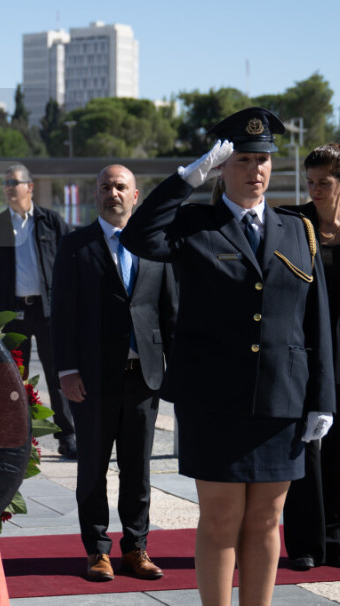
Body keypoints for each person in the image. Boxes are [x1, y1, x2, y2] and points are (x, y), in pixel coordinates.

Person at [119, 107, 335, 605]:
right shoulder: (194, 224)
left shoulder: (297, 229)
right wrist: (185, 180)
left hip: (281, 400)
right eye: (243, 159)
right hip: (213, 401)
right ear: (222, 167)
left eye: (263, 160)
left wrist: (322, 398)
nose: (256, 169)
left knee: (266, 521)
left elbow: (316, 319)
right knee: (219, 520)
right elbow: (137, 236)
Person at [51, 164, 177, 583]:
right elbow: (62, 314)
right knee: (92, 469)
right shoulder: (76, 245)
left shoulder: (156, 245)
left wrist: (175, 367)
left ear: (135, 196)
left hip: (144, 377)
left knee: (137, 469)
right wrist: (67, 370)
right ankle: (97, 551)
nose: (113, 193)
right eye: (105, 187)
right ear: (96, 194)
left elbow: (169, 311)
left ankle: (136, 548)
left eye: (121, 187)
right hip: (92, 379)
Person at [0, 164, 76, 460]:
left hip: (48, 311)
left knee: (57, 374)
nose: (9, 188)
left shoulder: (51, 221)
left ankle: (68, 437)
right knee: (15, 378)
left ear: (30, 187)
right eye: (5, 183)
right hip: (14, 313)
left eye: (14, 182)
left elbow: (72, 259)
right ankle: (17, 440)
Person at [282, 142, 340, 570]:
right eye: (310, 182)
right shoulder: (294, 223)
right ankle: (305, 543)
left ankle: (335, 539)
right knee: (306, 449)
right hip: (306, 353)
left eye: (324, 182)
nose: (315, 190)